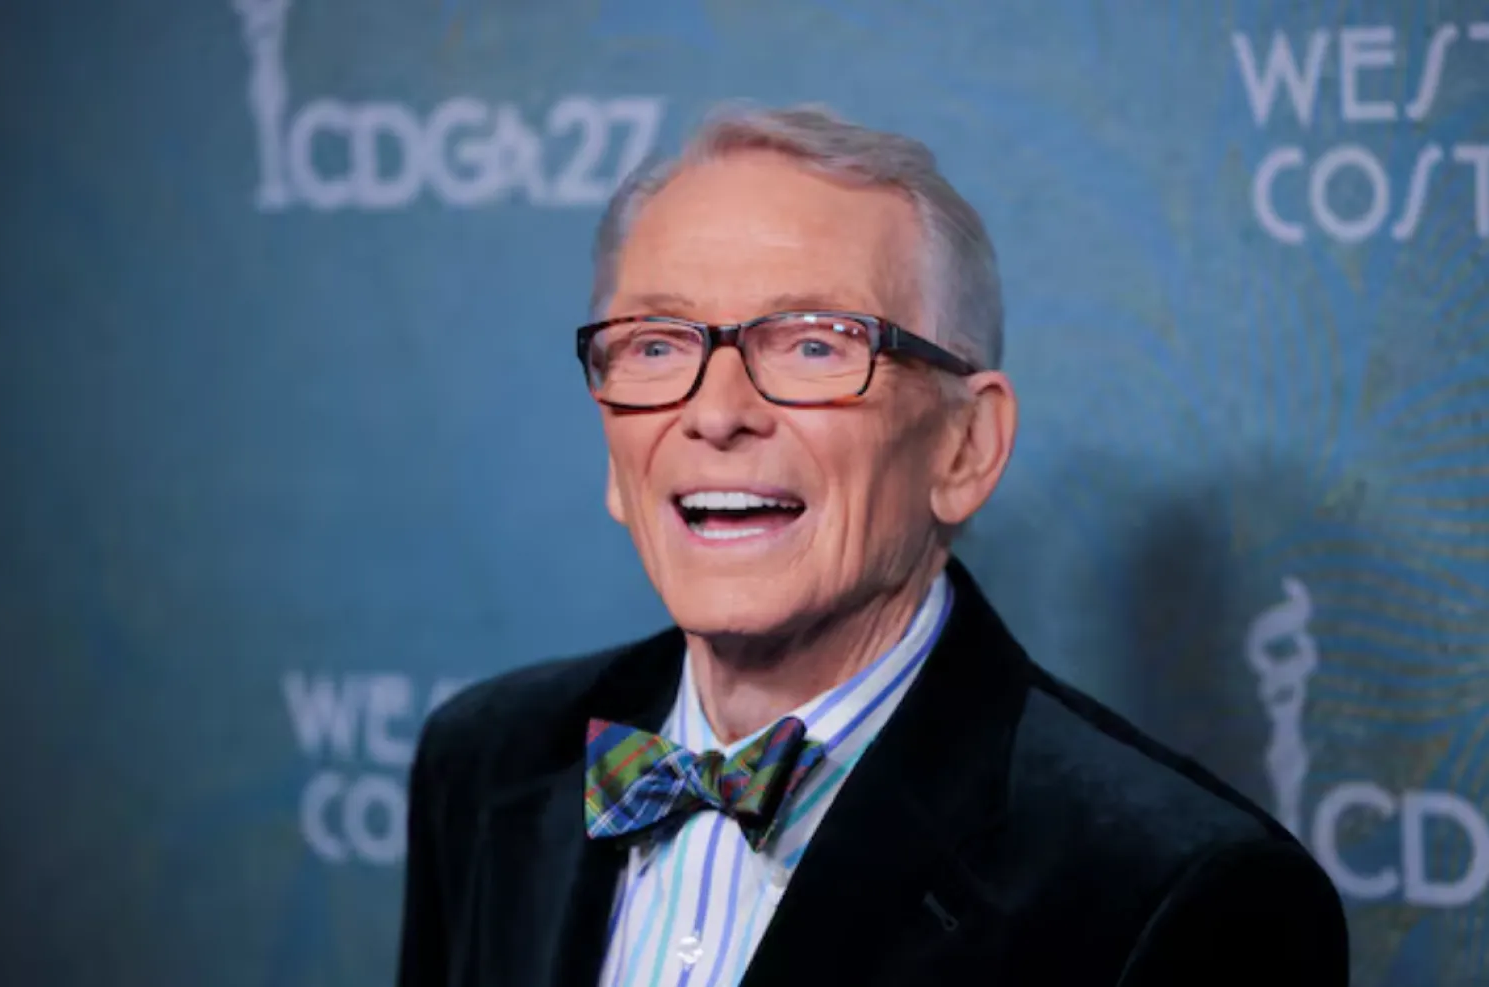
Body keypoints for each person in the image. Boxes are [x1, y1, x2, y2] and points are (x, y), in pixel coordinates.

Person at [395, 103, 1349, 987]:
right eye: (657, 345)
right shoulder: (487, 763)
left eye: (815, 344)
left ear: (965, 447)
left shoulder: (1178, 892)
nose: (716, 413)